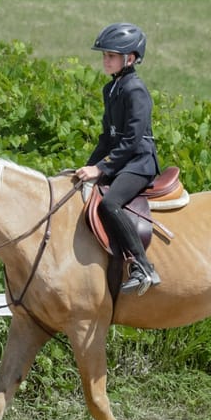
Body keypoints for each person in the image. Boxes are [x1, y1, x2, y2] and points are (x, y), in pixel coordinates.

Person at [75, 22, 161, 296]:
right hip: (122, 160)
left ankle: (143, 266)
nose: (105, 60)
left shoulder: (135, 89)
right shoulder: (111, 89)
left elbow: (131, 140)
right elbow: (106, 139)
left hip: (138, 162)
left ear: (130, 59)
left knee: (110, 203)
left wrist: (102, 168)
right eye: (104, 55)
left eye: (111, 56)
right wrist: (88, 167)